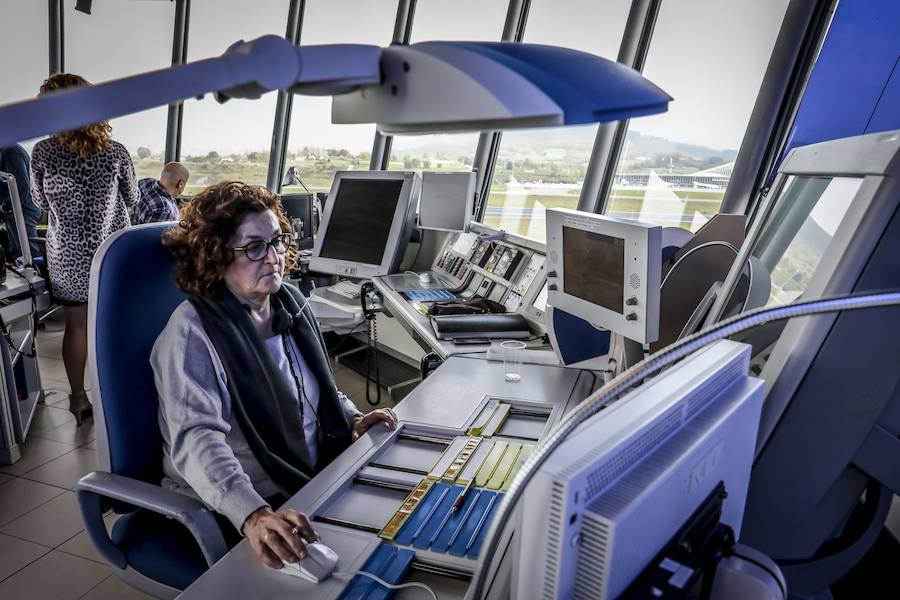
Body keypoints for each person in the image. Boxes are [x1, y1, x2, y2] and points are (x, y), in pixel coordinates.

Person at [151, 181, 397, 569]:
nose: (273, 257)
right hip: (241, 502)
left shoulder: (289, 304)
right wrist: (253, 515)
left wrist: (351, 419)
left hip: (306, 480)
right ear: (214, 256)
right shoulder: (191, 332)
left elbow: (316, 389)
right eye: (253, 247)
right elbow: (197, 439)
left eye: (277, 240)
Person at [30, 73, 139, 426]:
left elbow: (37, 200)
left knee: (76, 327)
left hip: (68, 255)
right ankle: (114, 396)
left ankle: (78, 400)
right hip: (112, 253)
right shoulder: (117, 152)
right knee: (112, 325)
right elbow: (133, 198)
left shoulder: (43, 152)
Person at [0, 144, 42, 261]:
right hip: (15, 209)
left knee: (28, 256)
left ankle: (40, 278)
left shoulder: (10, 151)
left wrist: (4, 207)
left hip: (22, 209)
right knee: (18, 255)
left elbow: (20, 187)